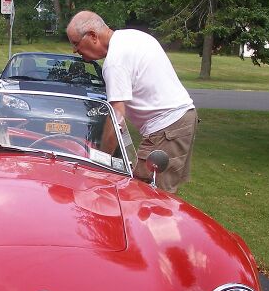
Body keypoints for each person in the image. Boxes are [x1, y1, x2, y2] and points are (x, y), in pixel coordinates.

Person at [66, 10, 197, 193]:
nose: (75, 50)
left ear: (93, 36)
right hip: (176, 122)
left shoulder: (115, 62)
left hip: (168, 127)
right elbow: (122, 121)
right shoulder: (132, 37)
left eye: (75, 43)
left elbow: (117, 118)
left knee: (148, 196)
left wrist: (100, 163)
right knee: (148, 193)